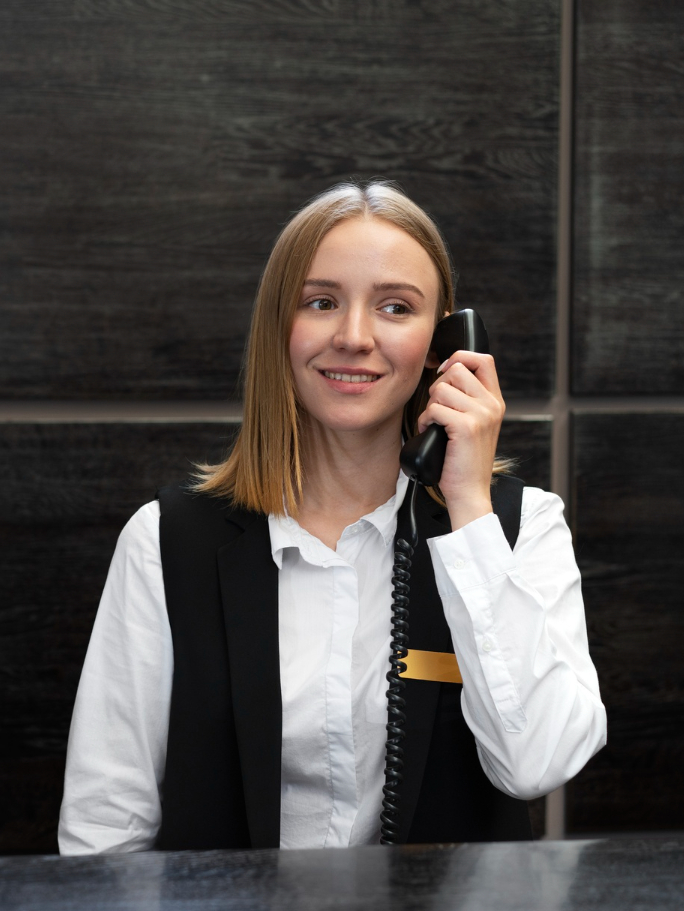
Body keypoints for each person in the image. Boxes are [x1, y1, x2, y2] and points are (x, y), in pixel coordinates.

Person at [58, 180, 606, 854]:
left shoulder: (520, 529)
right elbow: (104, 827)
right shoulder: (166, 543)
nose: (353, 337)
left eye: (395, 308)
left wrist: (467, 507)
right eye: (321, 302)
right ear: (277, 332)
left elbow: (537, 766)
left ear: (443, 347)